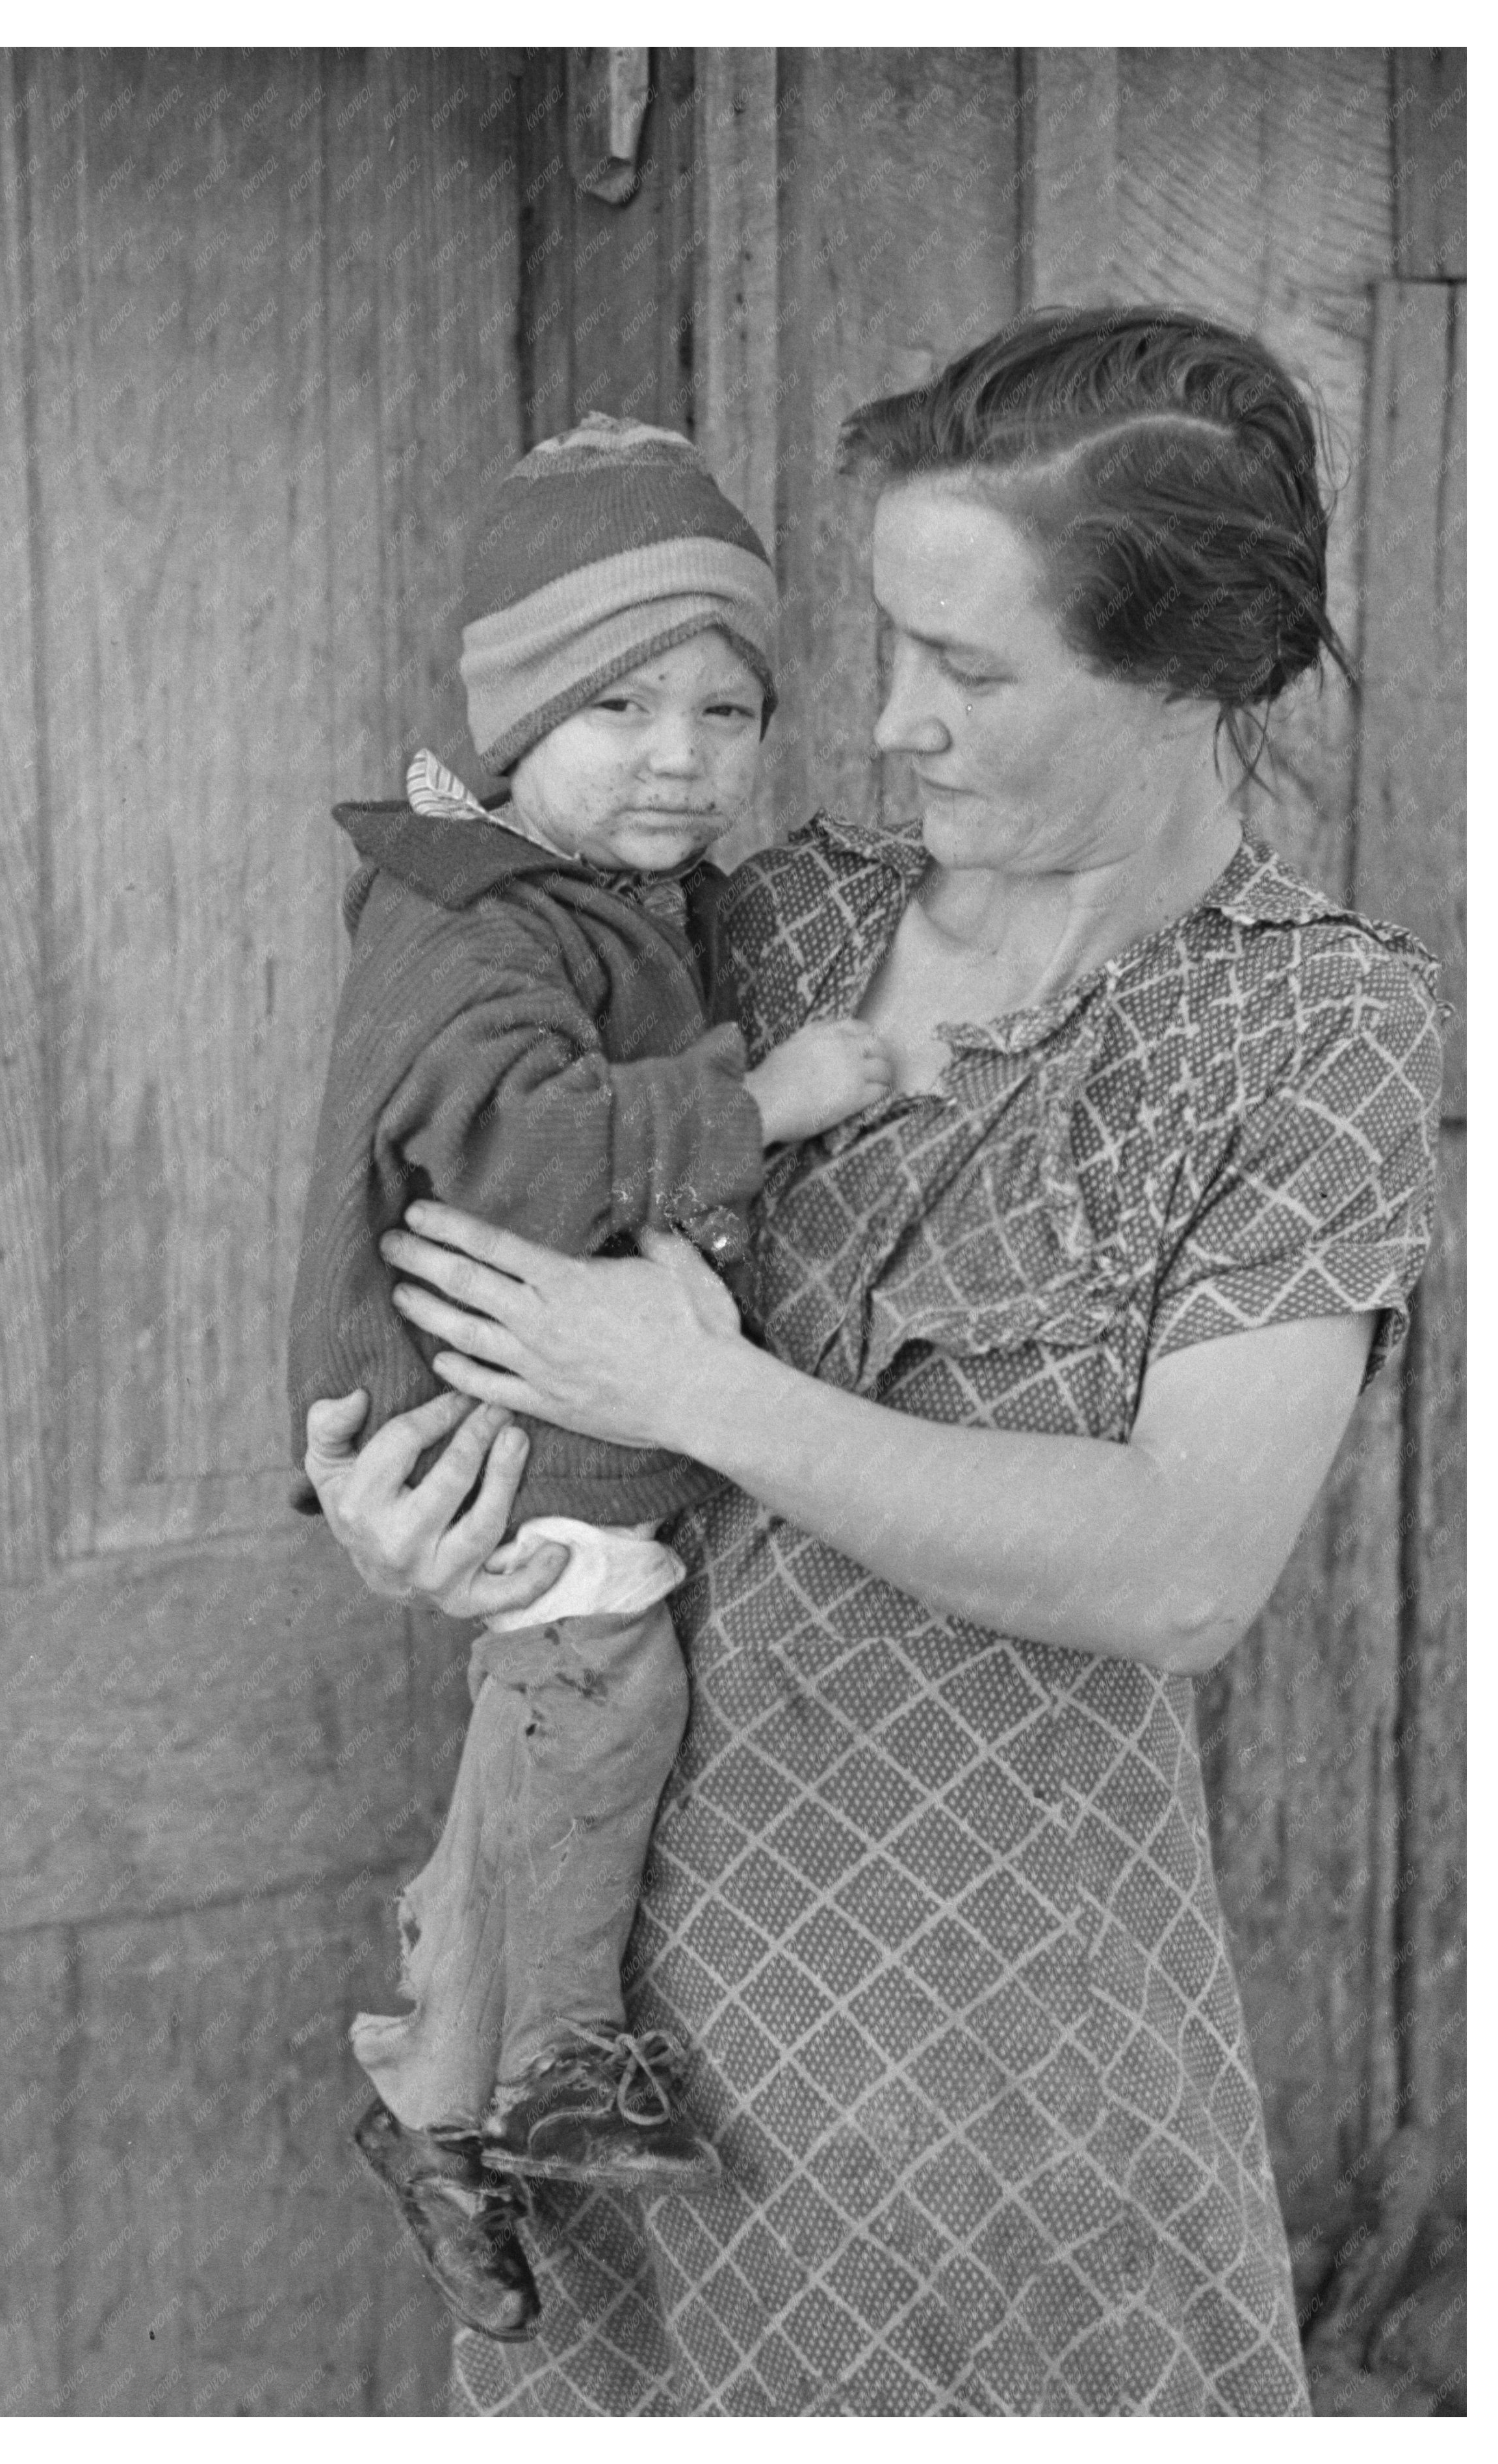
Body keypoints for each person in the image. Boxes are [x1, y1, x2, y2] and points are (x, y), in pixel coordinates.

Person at [303, 308, 1443, 2416]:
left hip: (996, 2112)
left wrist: (698, 1390)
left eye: (976, 671)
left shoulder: (1313, 1035)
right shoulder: (753, 929)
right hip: (613, 2069)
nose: (891, 725)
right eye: (889, 646)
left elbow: (1182, 1564)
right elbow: (466, 1226)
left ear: (1189, 674)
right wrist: (417, 1506)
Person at [287, 414, 892, 2344]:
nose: (683, 756)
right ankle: (561, 2048)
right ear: (510, 723)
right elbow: (530, 1158)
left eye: (727, 710)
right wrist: (767, 1097)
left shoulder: (562, 889)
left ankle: (435, 2092)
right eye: (621, 701)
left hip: (531, 1389)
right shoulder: (479, 928)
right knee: (602, 1685)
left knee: (528, 1719)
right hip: (490, 1414)